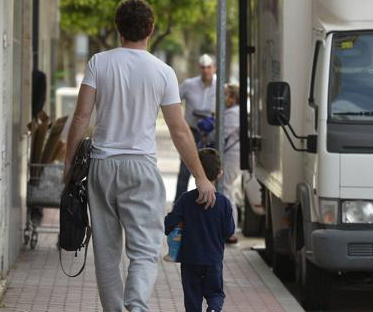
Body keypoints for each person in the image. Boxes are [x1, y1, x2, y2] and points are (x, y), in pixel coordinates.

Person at [64, 1, 216, 311]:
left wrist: (68, 166)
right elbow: (179, 130)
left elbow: (81, 117)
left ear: (118, 28)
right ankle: (136, 306)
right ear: (151, 30)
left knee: (106, 254)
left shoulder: (98, 62)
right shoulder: (163, 71)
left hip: (102, 166)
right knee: (145, 249)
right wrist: (201, 177)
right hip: (141, 168)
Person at [165, 148, 235, 312]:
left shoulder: (186, 200)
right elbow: (229, 231)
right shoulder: (223, 203)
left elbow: (168, 225)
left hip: (190, 260)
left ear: (195, 173)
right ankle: (213, 310)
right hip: (213, 260)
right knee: (215, 294)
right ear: (219, 174)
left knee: (192, 298)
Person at [175, 54, 217, 202]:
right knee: (185, 170)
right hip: (192, 132)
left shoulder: (220, 85)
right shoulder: (189, 84)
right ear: (199, 68)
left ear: (214, 68)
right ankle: (178, 205)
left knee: (211, 170)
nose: (206, 70)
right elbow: (173, 100)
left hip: (212, 134)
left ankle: (209, 203)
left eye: (209, 67)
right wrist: (180, 120)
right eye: (203, 67)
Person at [222, 84, 241, 244]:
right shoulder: (234, 112)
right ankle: (229, 229)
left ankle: (230, 230)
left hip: (231, 156)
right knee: (229, 190)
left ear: (233, 98)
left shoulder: (232, 114)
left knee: (226, 190)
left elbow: (221, 134)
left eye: (226, 95)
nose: (223, 98)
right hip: (233, 155)